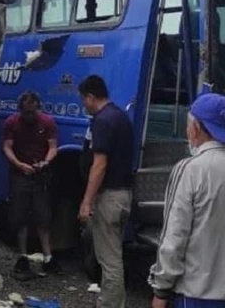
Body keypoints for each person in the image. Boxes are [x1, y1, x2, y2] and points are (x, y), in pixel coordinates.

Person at [149, 92, 225, 308]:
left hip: (199, 295)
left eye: (189, 126)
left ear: (195, 128)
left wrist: (161, 288)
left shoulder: (189, 170)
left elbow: (174, 237)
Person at [77, 75, 134, 308]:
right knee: (114, 253)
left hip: (109, 197)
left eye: (84, 100)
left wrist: (86, 202)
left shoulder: (101, 121)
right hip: (124, 195)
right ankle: (112, 301)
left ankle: (110, 305)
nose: (83, 105)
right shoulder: (120, 116)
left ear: (91, 97)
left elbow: (99, 165)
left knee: (109, 259)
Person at [2, 90, 61, 279]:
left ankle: (48, 257)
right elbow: (7, 146)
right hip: (20, 174)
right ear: (20, 110)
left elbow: (53, 146)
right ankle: (23, 256)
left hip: (40, 174)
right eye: (26, 112)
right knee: (21, 217)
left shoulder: (47, 123)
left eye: (33, 111)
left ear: (38, 108)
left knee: (44, 216)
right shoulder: (11, 123)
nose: (30, 115)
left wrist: (46, 162)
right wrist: (19, 164)